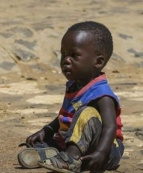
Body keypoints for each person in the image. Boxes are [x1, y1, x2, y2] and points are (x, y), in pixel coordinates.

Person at [17, 21, 124, 172]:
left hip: (106, 149)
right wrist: (46, 130)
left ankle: (71, 159)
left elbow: (110, 127)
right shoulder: (74, 85)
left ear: (98, 61)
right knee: (45, 141)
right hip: (75, 142)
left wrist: (100, 153)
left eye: (74, 55)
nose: (66, 60)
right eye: (64, 54)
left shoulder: (102, 94)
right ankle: (52, 154)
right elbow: (64, 116)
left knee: (86, 113)